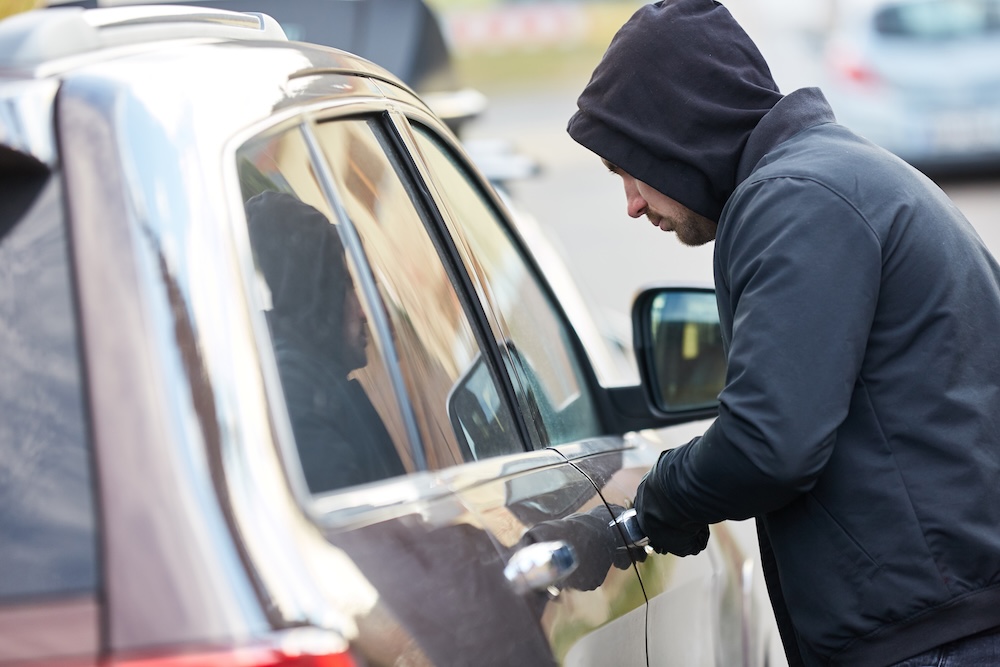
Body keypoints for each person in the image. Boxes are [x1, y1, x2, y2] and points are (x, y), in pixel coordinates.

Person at [565, 1, 1000, 666]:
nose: (631, 202)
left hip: (939, 639)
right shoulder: (836, 177)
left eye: (627, 166)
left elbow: (768, 443)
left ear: (673, 131)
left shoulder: (797, 199)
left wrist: (658, 499)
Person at [246, 191, 405, 493]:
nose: (364, 312)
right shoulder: (296, 391)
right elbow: (358, 520)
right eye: (346, 286)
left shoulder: (316, 381)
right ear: (316, 293)